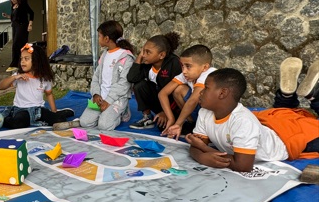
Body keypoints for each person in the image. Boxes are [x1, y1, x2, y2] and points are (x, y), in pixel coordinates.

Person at [187, 67, 319, 172]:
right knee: (286, 113)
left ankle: (313, 96)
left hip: (287, 140)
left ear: (222, 93)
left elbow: (243, 166)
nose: (200, 92)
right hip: (269, 128)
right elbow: (196, 146)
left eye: (206, 88)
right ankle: (287, 94)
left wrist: (204, 149)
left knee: (312, 126)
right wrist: (201, 154)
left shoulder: (243, 122)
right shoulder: (205, 112)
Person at [55, 20, 135, 131]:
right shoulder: (104, 55)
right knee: (85, 122)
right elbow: (96, 78)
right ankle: (105, 115)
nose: (98, 39)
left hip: (116, 99)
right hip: (101, 98)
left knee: (104, 125)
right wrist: (96, 94)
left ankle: (121, 114)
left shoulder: (126, 57)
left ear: (106, 39)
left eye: (99, 36)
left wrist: (109, 101)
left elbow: (124, 84)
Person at [0, 43, 75, 129]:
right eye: (21, 59)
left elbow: (49, 94)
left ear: (36, 61)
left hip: (39, 110)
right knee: (17, 124)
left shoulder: (45, 78)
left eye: (26, 59)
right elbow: (1, 87)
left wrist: (54, 112)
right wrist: (15, 77)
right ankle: (4, 117)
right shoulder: (18, 75)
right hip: (22, 110)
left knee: (59, 120)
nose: (22, 61)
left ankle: (60, 113)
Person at [159, 44, 216, 140]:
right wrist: (171, 118)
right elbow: (162, 93)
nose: (184, 71)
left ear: (205, 67)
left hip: (213, 116)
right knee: (178, 90)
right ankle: (191, 124)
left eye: (188, 66)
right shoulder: (186, 74)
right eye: (182, 66)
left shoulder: (209, 73)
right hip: (200, 111)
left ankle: (204, 129)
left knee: (193, 96)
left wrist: (178, 124)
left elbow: (193, 100)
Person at [128, 32, 182, 129]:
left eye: (148, 52)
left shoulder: (174, 64)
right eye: (143, 51)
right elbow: (131, 78)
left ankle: (178, 120)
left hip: (174, 106)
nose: (144, 55)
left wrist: (166, 112)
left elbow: (176, 92)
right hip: (160, 102)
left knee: (162, 127)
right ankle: (147, 117)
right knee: (139, 85)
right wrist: (139, 58)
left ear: (161, 55)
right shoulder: (147, 65)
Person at [2, 0, 34, 72]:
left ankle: (15, 64)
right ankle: (18, 63)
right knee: (15, 45)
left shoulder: (22, 4)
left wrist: (30, 24)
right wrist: (7, 16)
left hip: (22, 25)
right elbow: (14, 18)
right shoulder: (12, 6)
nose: (12, 0)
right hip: (15, 26)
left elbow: (31, 13)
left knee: (17, 43)